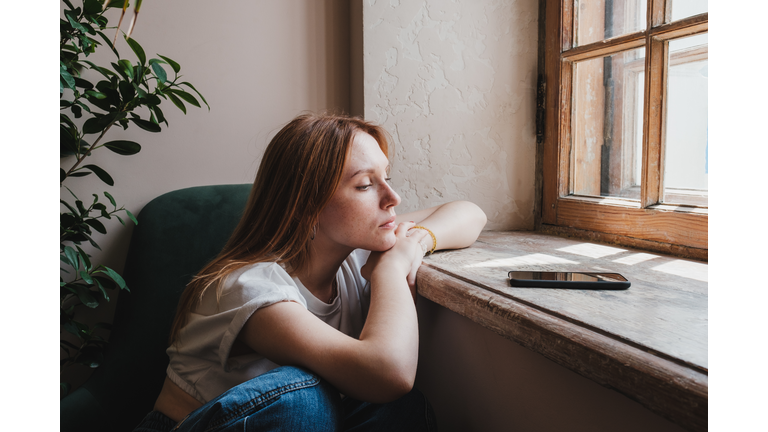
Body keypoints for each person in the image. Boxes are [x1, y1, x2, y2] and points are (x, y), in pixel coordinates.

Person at [133, 113, 487, 431]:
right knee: (302, 398)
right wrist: (392, 269)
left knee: (399, 410)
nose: (393, 197)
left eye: (387, 177)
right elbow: (389, 372)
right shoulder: (250, 288)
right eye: (365, 185)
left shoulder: (352, 249)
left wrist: (418, 242)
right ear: (307, 204)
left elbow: (469, 213)